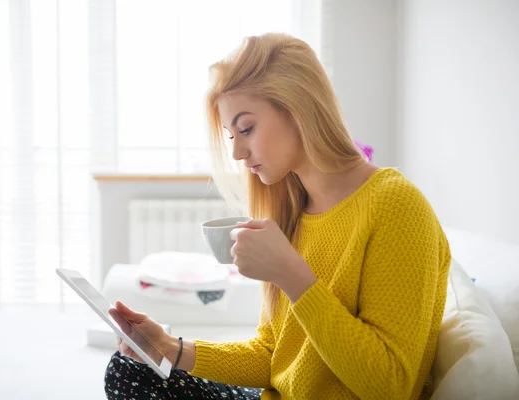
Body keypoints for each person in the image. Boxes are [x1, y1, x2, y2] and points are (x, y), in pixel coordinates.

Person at [104, 33, 451, 400]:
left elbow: (391, 386)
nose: (237, 152)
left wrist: (291, 274)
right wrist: (169, 347)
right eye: (230, 135)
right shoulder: (292, 209)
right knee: (129, 370)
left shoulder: (395, 205)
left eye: (247, 128)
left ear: (298, 107)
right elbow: (275, 357)